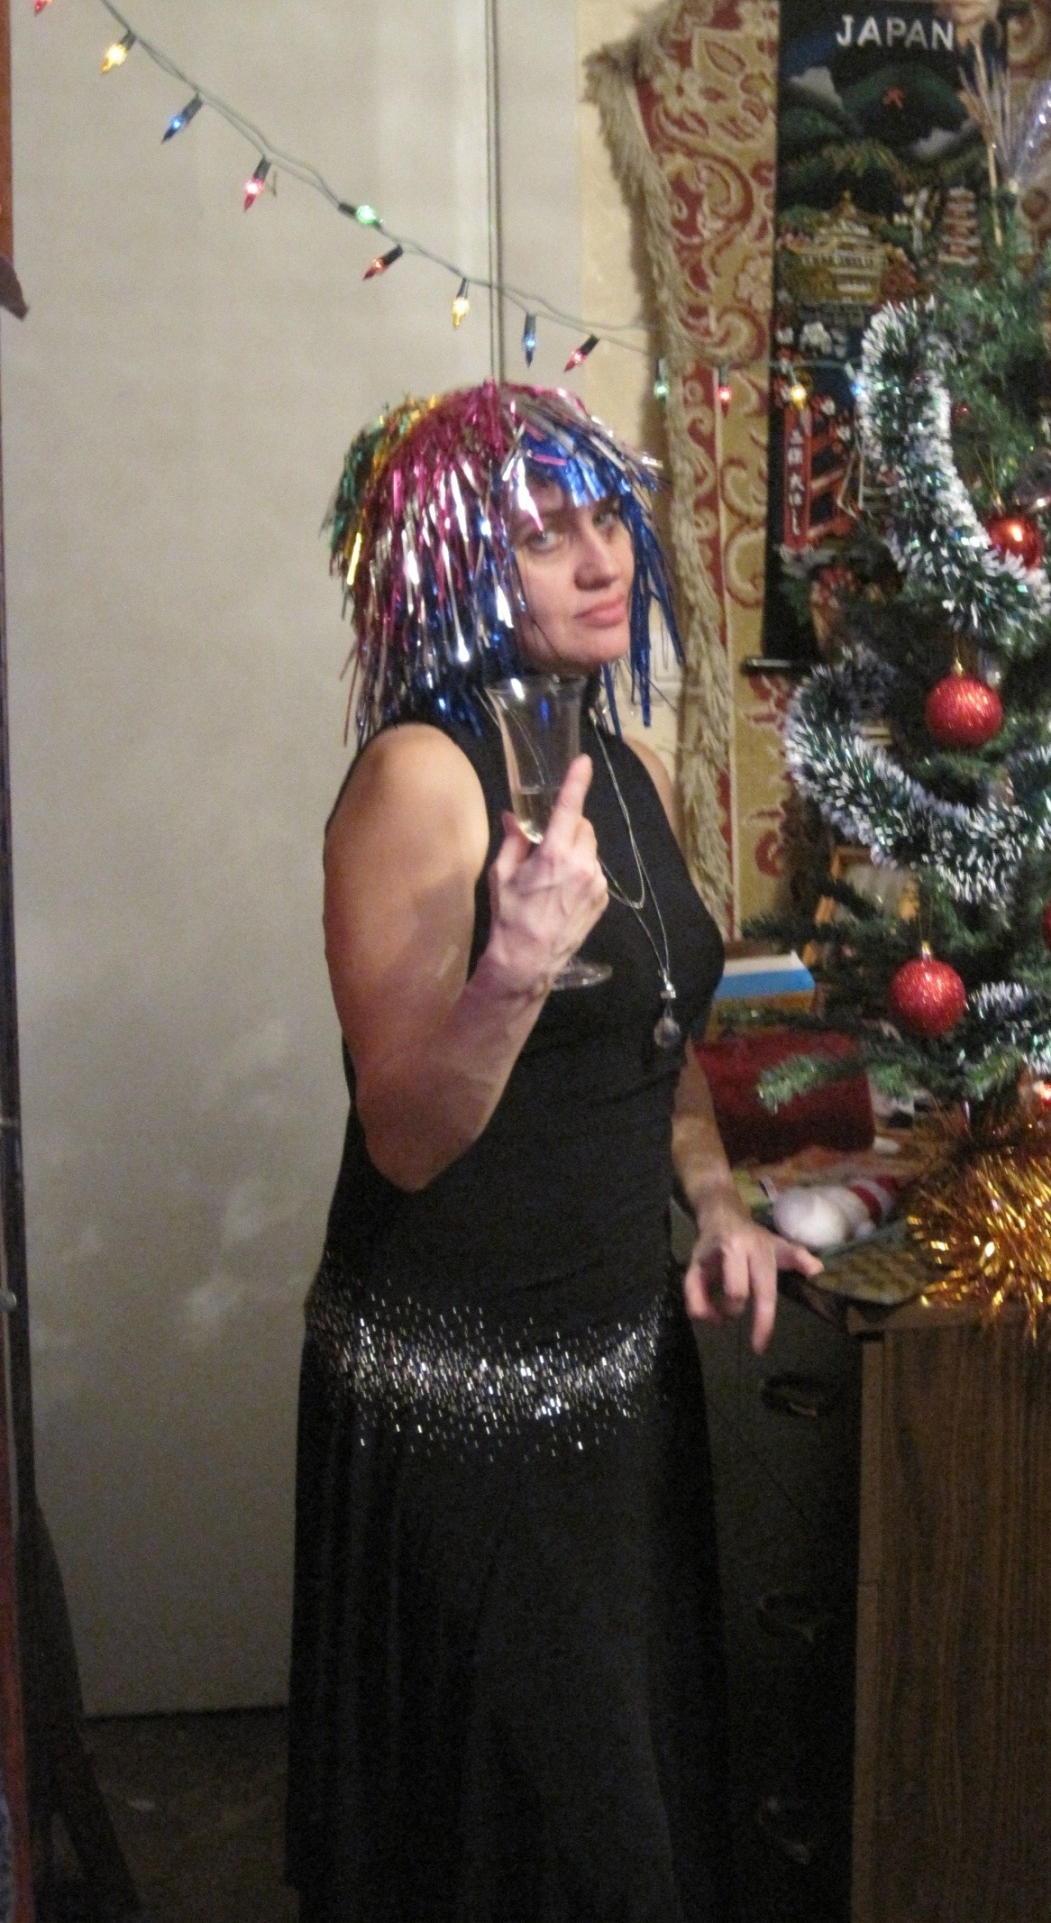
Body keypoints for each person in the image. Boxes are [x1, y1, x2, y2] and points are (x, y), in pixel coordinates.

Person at [285, 382, 820, 1922]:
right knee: (534, 1841)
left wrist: (716, 1199)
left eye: (606, 522)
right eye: (542, 537)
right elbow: (405, 1135)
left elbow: (655, 1043)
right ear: (455, 564)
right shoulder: (419, 777)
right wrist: (512, 971)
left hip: (614, 1371)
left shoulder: (615, 762)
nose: (600, 561)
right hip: (461, 1395)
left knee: (625, 1808)